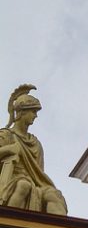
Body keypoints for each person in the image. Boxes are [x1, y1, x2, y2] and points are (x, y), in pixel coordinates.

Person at [0, 86, 68, 214]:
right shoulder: (6, 135)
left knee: (54, 195)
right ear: (21, 112)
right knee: (23, 185)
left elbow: (38, 174)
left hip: (33, 183)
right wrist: (9, 149)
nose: (35, 116)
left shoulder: (36, 144)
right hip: (10, 182)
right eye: (33, 111)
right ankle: (8, 223)